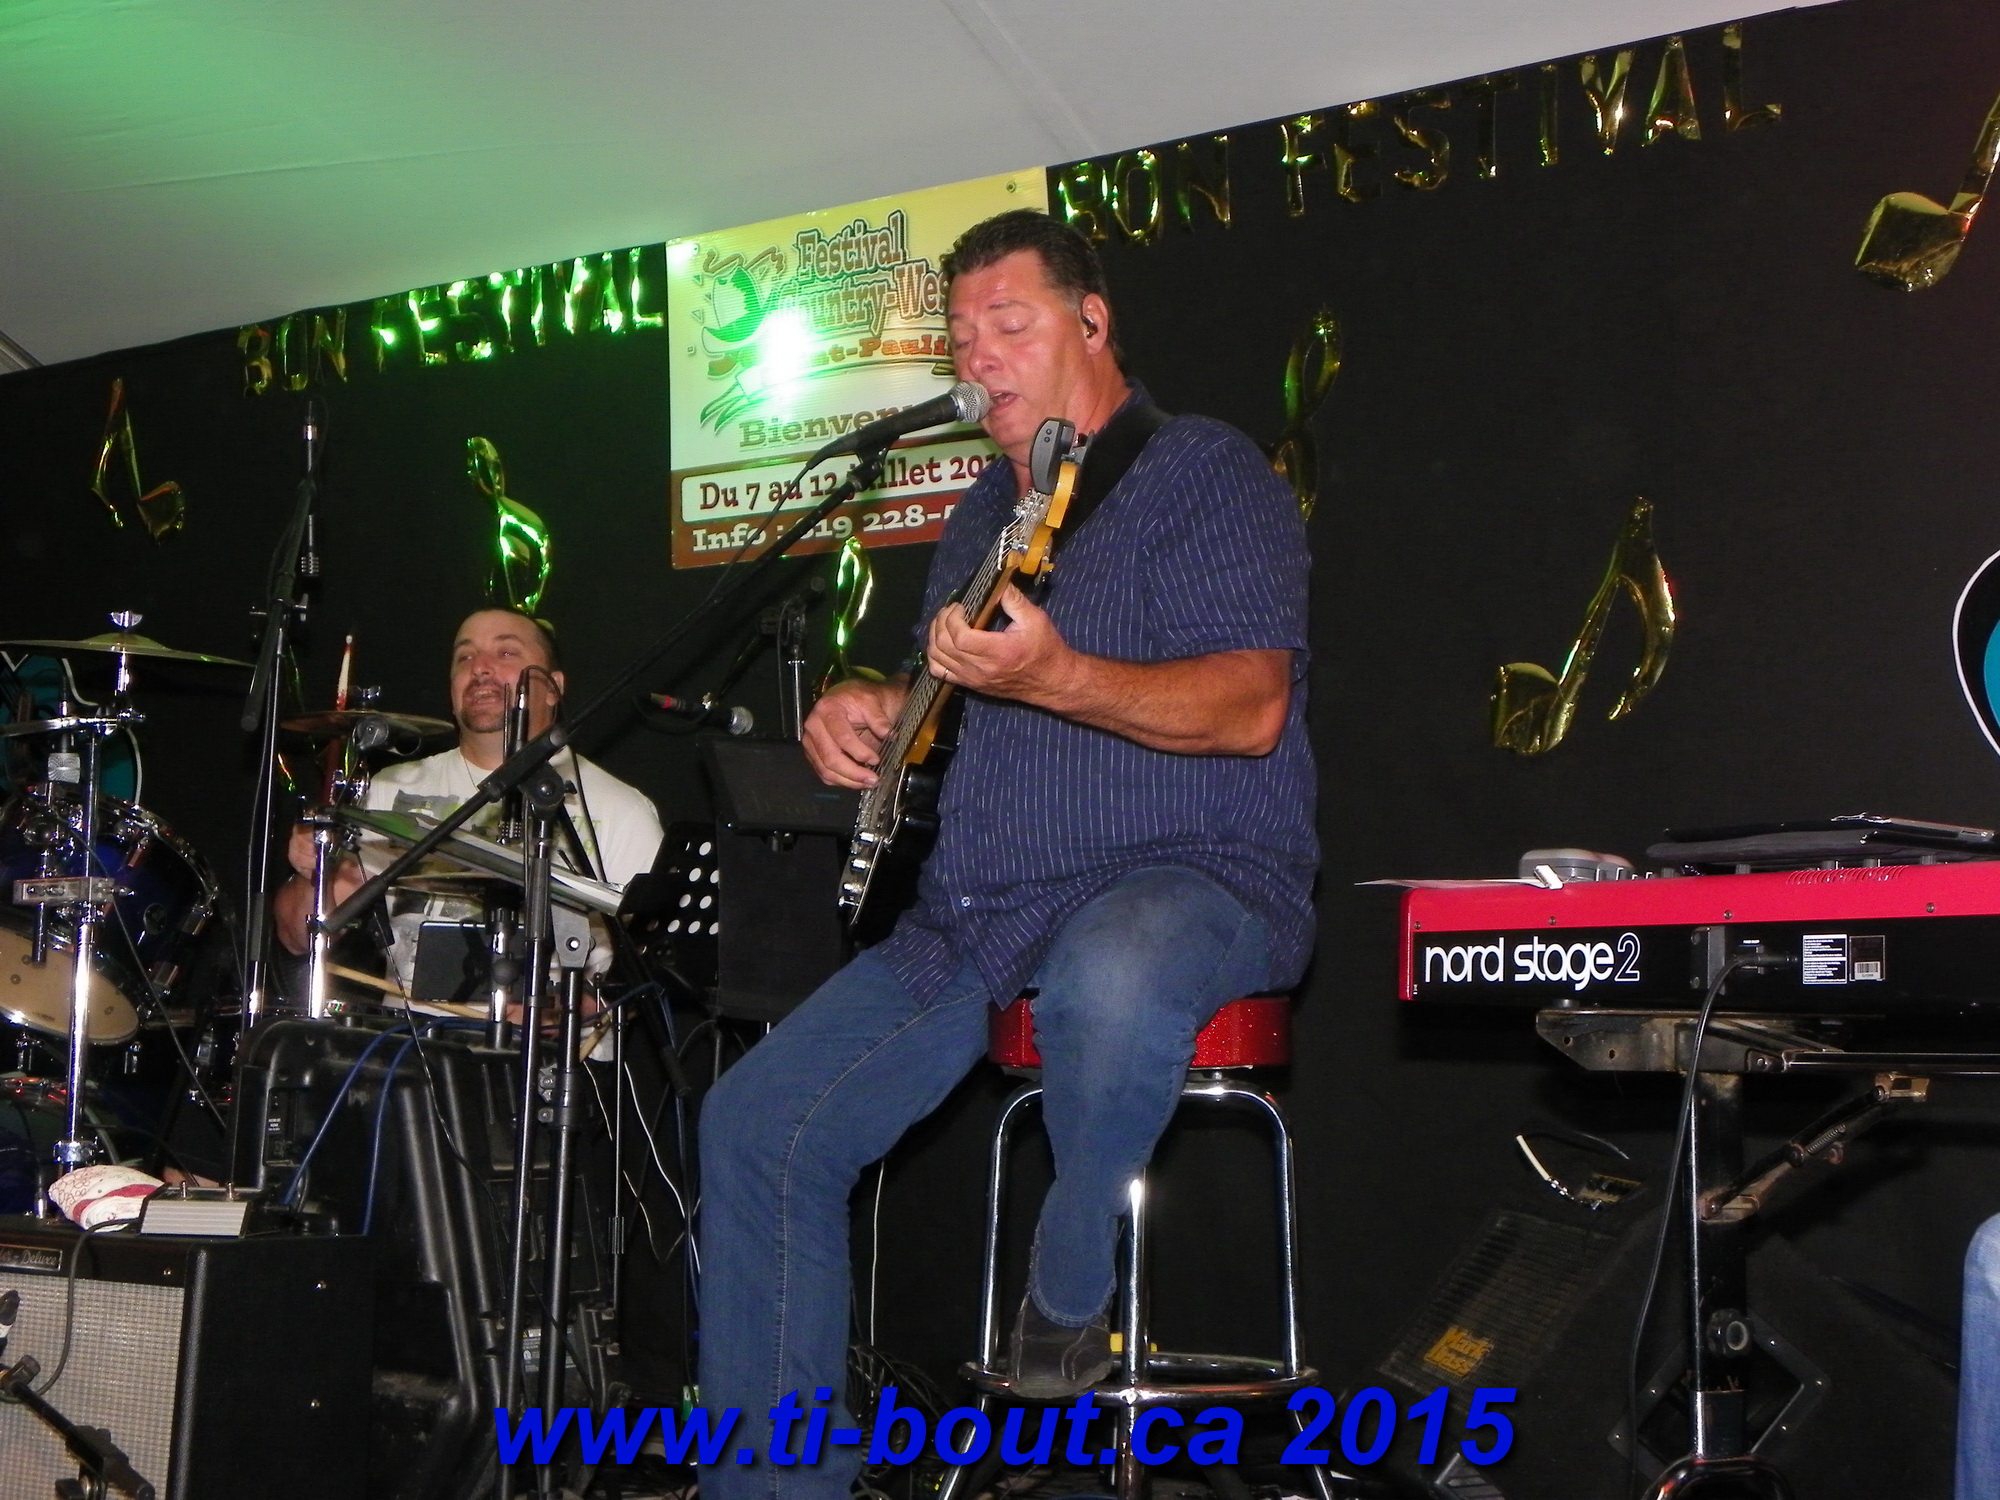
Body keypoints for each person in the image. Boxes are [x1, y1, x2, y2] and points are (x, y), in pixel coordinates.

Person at [697, 209, 1317, 1499]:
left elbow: (1250, 707)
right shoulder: (986, 507)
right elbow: (953, 703)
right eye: (960, 335)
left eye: (1008, 324)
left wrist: (1055, 674)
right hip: (985, 912)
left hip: (1195, 877)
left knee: (1115, 970)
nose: (976, 356)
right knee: (757, 1124)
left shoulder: (1202, 469)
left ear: (1092, 324)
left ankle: (1069, 1279)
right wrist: (877, 710)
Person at [272, 607, 663, 979]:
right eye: (465, 657)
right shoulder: (391, 789)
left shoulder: (620, 809)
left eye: (506, 652)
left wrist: (574, 1009)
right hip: (410, 1027)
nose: (480, 668)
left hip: (557, 1026)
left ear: (553, 688)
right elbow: (298, 938)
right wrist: (313, 871)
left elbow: (655, 967)